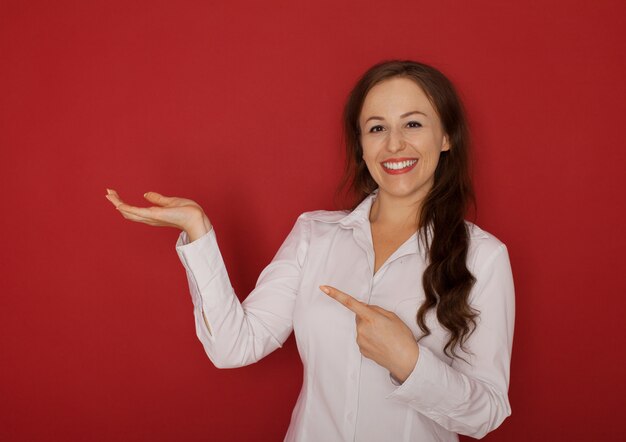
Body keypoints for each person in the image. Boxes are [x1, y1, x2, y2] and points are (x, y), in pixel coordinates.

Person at [105, 60, 515, 441]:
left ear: (446, 136)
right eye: (376, 128)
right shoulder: (313, 235)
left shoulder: (484, 258)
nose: (394, 145)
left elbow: (487, 413)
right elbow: (235, 346)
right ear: (361, 144)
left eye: (412, 124)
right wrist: (198, 231)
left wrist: (409, 362)